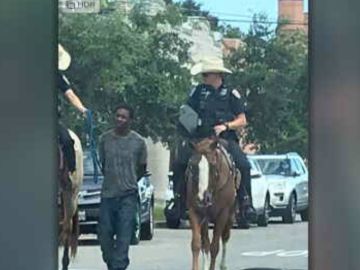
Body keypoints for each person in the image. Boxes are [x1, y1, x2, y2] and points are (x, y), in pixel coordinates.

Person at [174, 56, 256, 229]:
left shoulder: (232, 94)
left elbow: (242, 120)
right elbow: (187, 111)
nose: (203, 78)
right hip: (201, 138)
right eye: (203, 75)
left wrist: (226, 126)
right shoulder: (197, 92)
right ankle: (178, 202)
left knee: (243, 165)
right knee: (180, 163)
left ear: (217, 75)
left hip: (224, 139)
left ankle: (245, 202)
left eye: (206, 75)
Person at [98, 104, 148, 270]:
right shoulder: (104, 139)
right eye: (117, 115)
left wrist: (129, 180)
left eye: (123, 117)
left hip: (128, 196)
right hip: (108, 195)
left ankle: (118, 267)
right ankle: (112, 263)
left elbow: (141, 168)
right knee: (104, 235)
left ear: (130, 120)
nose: (119, 119)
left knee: (123, 237)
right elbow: (103, 164)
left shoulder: (139, 142)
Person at [58, 44, 88, 173]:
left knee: (67, 141)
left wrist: (82, 109)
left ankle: (69, 174)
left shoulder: (57, 77)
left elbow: (70, 94)